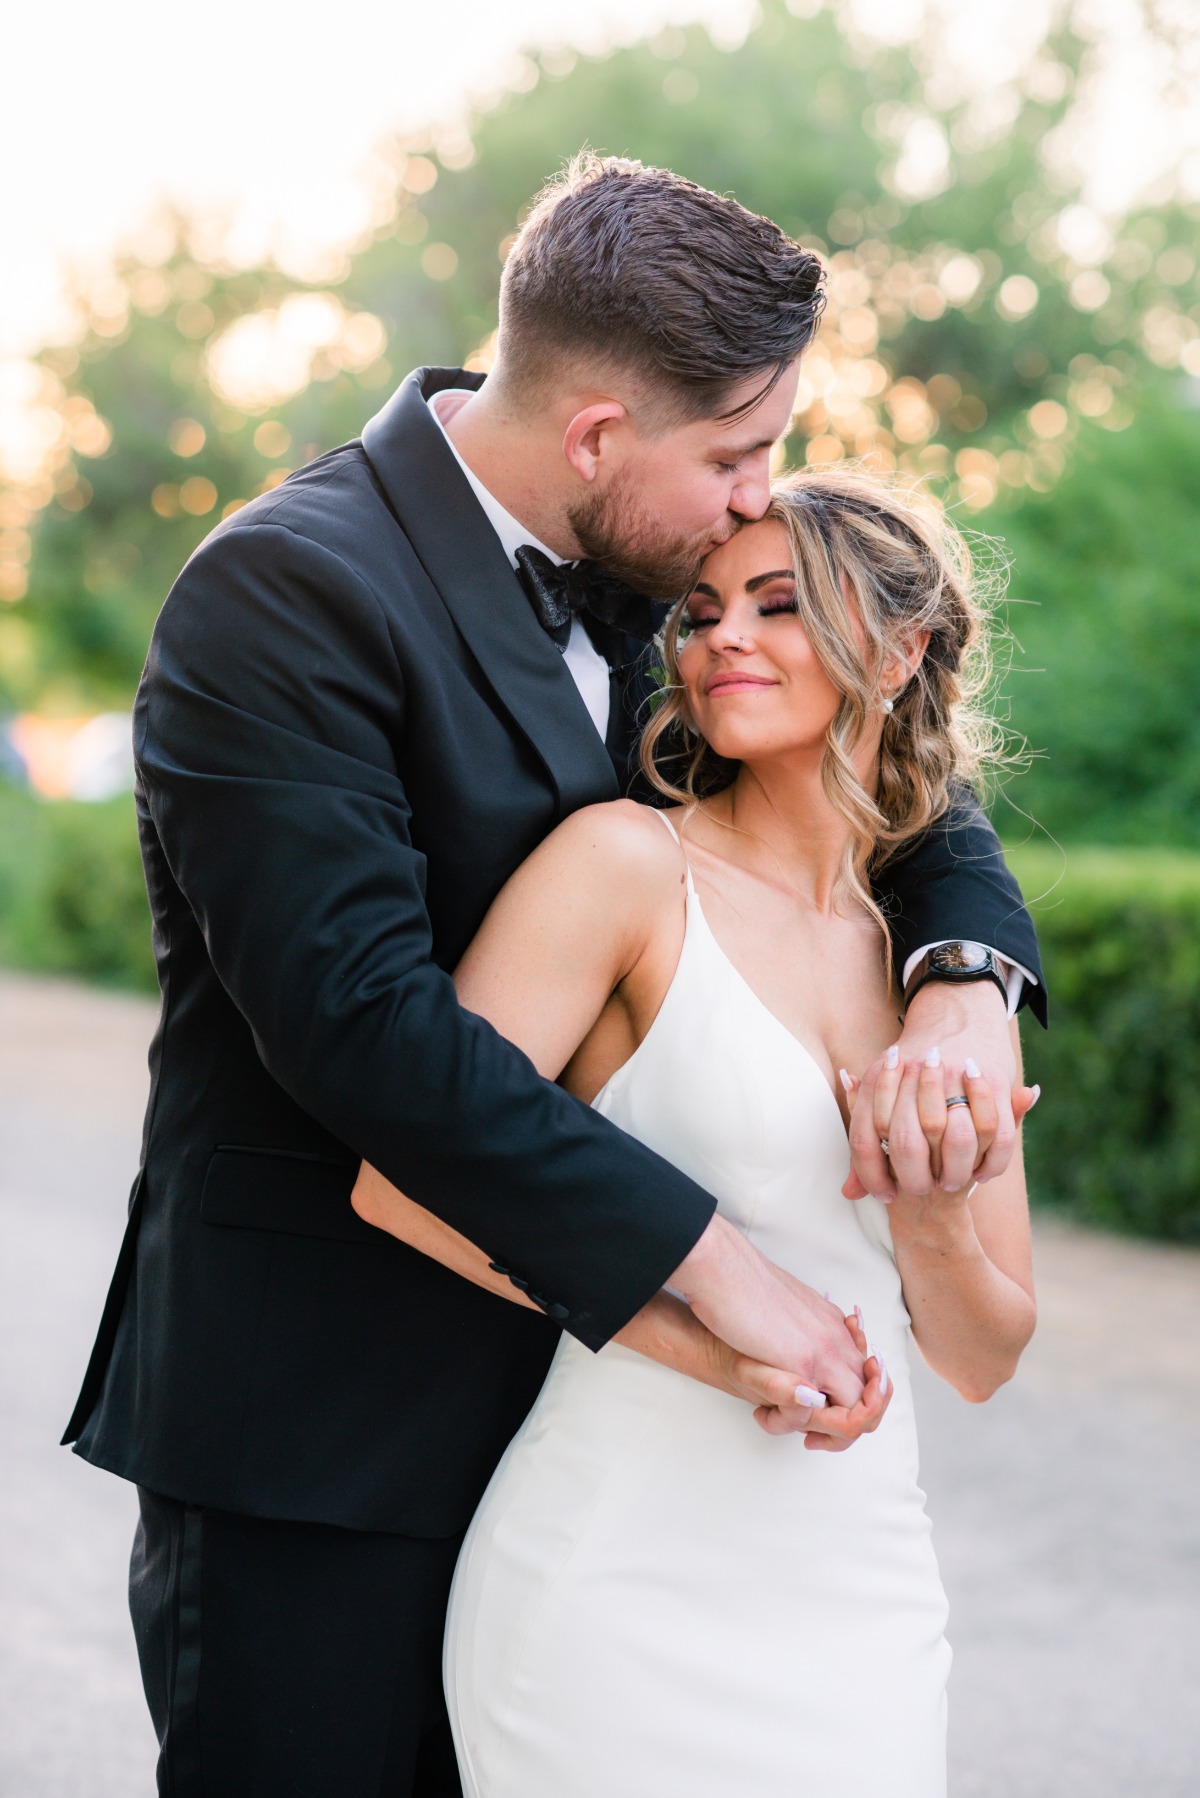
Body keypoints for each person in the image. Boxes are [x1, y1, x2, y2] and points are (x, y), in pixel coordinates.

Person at [62, 156, 1043, 1798]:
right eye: (738, 454)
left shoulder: (662, 569)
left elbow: (882, 773)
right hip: (330, 1443)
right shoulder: (284, 591)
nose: (758, 499)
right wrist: (716, 1268)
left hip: (595, 1445)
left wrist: (962, 972)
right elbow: (364, 1030)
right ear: (598, 437)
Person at [354, 467, 1039, 1796]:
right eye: (706, 609)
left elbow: (983, 1352)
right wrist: (712, 1351)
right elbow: (405, 1184)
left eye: (780, 605)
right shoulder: (621, 866)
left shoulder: (944, 980)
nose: (724, 635)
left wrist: (930, 1210)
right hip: (608, 1585)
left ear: (900, 652)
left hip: (861, 1593)